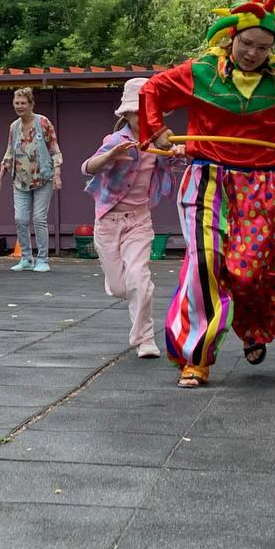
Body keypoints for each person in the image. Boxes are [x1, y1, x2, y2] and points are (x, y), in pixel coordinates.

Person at [139, 0, 275, 389]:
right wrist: (156, 132)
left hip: (260, 185)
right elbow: (152, 91)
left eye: (262, 47)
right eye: (247, 43)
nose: (253, 53)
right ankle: (196, 359)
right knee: (206, 264)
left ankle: (252, 325)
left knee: (248, 271)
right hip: (207, 179)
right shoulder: (200, 72)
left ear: (273, 48)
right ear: (231, 38)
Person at [82, 77, 181, 359]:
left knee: (140, 279)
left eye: (151, 111)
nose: (146, 117)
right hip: (109, 221)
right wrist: (109, 157)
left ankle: (144, 339)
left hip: (139, 220)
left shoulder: (160, 142)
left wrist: (178, 152)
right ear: (127, 114)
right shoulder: (117, 141)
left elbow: (175, 162)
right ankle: (127, 288)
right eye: (140, 111)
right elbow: (86, 167)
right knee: (119, 287)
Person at [0, 87, 63, 273]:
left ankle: (43, 258)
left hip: (43, 177)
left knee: (39, 218)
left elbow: (54, 149)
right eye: (16, 103)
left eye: (23, 103)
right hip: (20, 179)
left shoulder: (43, 122)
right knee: (20, 218)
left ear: (31, 104)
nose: (19, 106)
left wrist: (57, 174)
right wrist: (0, 176)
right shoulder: (14, 127)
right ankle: (26, 257)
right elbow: (10, 152)